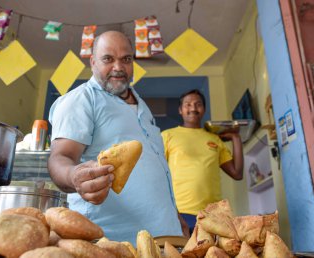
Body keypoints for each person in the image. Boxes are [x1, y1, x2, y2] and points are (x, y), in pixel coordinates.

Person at [48, 31, 187, 245]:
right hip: (114, 243)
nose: (118, 67)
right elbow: (60, 157)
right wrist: (75, 176)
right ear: (93, 62)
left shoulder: (142, 105)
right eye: (108, 59)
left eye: (126, 59)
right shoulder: (81, 99)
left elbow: (154, 167)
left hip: (166, 237)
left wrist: (174, 216)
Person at [161, 89, 244, 233]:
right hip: (180, 213)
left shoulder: (214, 139)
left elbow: (237, 173)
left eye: (198, 104)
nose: (193, 108)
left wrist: (236, 139)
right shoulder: (167, 135)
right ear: (180, 110)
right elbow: (157, 173)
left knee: (213, 255)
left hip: (213, 214)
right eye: (188, 104)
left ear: (204, 109)